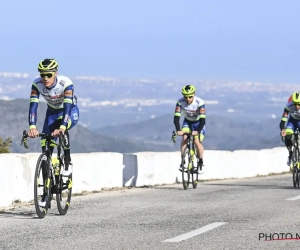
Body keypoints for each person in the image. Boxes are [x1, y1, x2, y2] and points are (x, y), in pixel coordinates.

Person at [27, 58, 79, 207]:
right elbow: (33, 107)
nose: (45, 78)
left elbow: (68, 107)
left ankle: (67, 162)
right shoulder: (36, 84)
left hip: (69, 111)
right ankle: (46, 193)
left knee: (62, 131)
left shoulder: (65, 83)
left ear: (55, 73)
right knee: (45, 148)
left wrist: (62, 127)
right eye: (42, 74)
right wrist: (32, 127)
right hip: (52, 113)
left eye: (48, 75)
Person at [173, 85, 206, 174]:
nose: (187, 99)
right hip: (187, 122)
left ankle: (200, 163)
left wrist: (198, 131)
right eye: (185, 97)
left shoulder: (200, 102)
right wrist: (178, 130)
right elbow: (176, 118)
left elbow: (203, 120)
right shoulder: (180, 102)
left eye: (190, 96)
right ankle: (182, 161)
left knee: (196, 142)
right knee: (184, 138)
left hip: (198, 123)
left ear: (194, 95)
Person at [280, 91, 300, 167]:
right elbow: (283, 121)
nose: (297, 106)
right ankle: (291, 154)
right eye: (295, 104)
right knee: (288, 136)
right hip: (292, 121)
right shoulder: (288, 106)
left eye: (299, 104)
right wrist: (282, 130)